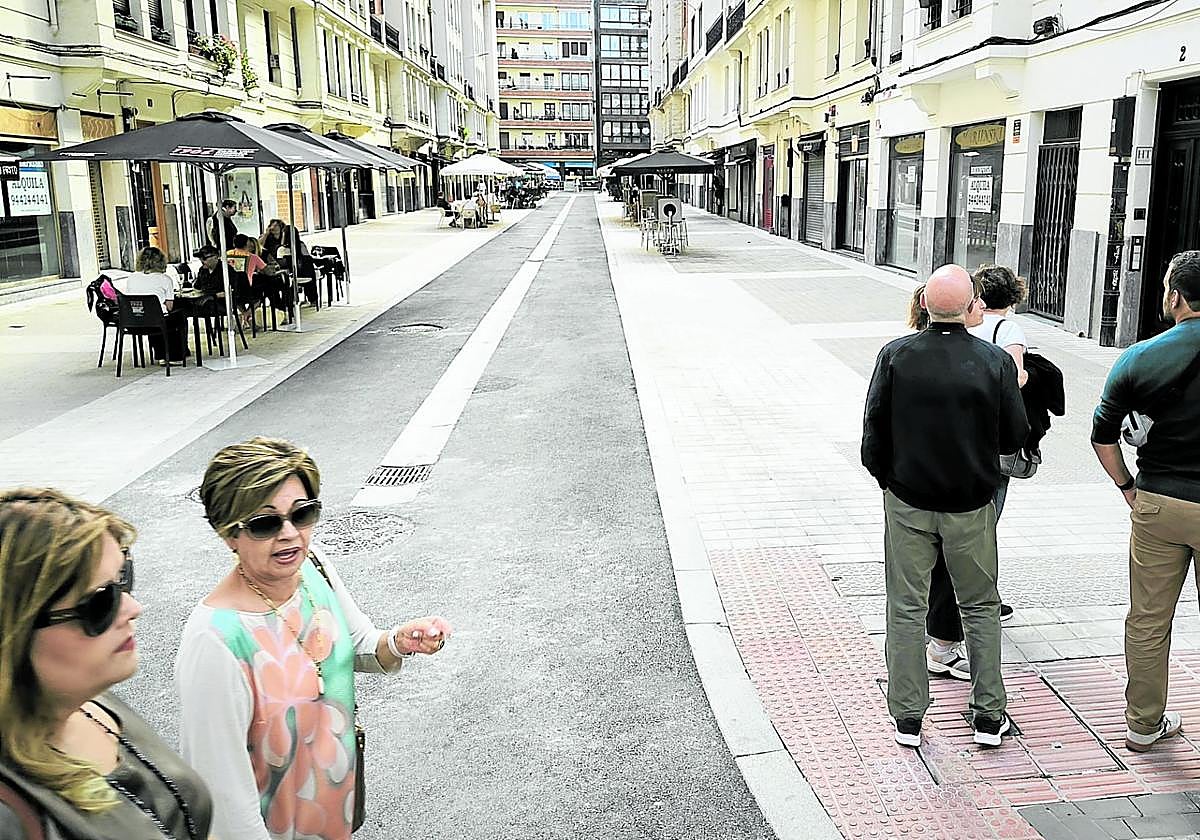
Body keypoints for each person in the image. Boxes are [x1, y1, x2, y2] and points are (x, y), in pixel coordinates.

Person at [176, 437, 452, 840]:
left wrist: (399, 641)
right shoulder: (214, 641)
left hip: (333, 818)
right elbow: (226, 808)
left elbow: (359, 644)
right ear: (228, 534)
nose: (289, 534)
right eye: (265, 523)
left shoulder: (314, 568)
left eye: (302, 514)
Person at [862, 265, 1029, 749]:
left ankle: (908, 718)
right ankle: (988, 716)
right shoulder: (994, 361)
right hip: (971, 503)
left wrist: (888, 483)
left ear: (927, 306)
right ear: (971, 305)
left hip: (908, 500)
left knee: (906, 607)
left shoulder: (895, 355)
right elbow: (1015, 433)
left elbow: (874, 431)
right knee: (979, 606)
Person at [0, 488, 214, 838]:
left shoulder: (93, 703)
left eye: (124, 579)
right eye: (100, 602)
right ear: (13, 632)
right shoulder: (9, 812)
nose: (132, 608)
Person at [1092, 250, 1200, 754]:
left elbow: (1102, 435)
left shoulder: (1140, 356)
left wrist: (1127, 487)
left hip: (1158, 503)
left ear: (1175, 296)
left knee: (1149, 620)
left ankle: (1142, 724)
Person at [114, 246, 189, 363]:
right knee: (177, 316)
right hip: (157, 322)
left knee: (151, 314)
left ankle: (159, 354)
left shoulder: (132, 278)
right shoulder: (165, 279)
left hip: (134, 322)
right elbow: (169, 307)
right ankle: (175, 354)